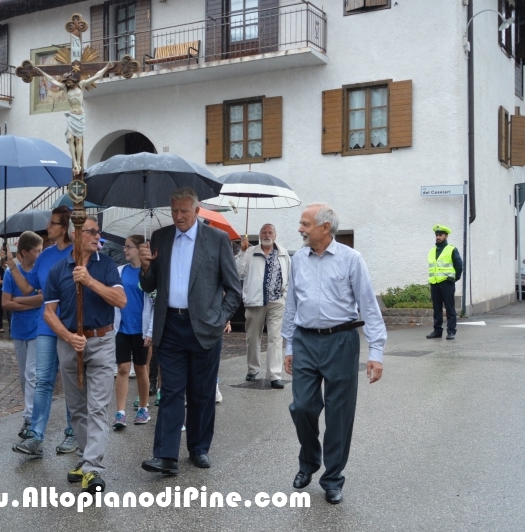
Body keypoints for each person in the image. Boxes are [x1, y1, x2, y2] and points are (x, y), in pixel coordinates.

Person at [281, 202, 387, 505]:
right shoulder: (298, 259)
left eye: (305, 224)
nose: (300, 229)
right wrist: (289, 345)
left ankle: (332, 478)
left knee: (339, 415)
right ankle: (309, 461)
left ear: (325, 227)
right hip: (304, 340)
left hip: (340, 341)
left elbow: (369, 306)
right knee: (301, 407)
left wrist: (376, 353)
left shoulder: (351, 260)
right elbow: (291, 305)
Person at [138, 187, 241, 475]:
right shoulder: (161, 238)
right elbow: (149, 286)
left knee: (202, 392)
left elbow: (234, 289)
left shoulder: (217, 240)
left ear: (196, 211)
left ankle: (198, 448)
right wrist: (145, 268)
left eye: (184, 211)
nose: (178, 216)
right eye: (174, 211)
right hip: (170, 325)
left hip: (205, 327)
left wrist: (220, 319)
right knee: (171, 391)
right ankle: (166, 456)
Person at [43, 217, 126, 493]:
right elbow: (48, 313)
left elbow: (120, 300)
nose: (97, 236)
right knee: (77, 408)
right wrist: (68, 337)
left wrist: (89, 281)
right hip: (69, 344)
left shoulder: (106, 265)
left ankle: (92, 468)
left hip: (102, 341)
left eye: (98, 232)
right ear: (75, 235)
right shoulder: (57, 270)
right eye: (92, 231)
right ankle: (85, 456)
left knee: (98, 407)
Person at [8, 206, 77, 456]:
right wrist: (12, 265)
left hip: (70, 325)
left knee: (71, 382)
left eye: (54, 223)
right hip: (46, 325)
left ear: (66, 227)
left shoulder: (78, 252)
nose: (48, 227)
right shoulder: (45, 255)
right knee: (43, 381)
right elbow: (28, 289)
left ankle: (73, 434)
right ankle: (36, 437)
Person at [34, 62, 114, 176]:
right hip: (71, 116)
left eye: (69, 81)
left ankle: (79, 164)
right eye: (66, 82)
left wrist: (107, 67)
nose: (68, 83)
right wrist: (41, 72)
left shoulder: (81, 85)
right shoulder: (66, 88)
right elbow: (51, 80)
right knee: (70, 139)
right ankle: (75, 163)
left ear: (73, 80)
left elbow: (96, 76)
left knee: (78, 140)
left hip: (80, 116)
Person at [236, 223, 291, 388]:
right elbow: (238, 272)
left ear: (275, 235)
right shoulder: (250, 252)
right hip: (255, 301)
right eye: (264, 232)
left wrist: (286, 296)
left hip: (277, 301)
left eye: (270, 232)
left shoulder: (283, 253)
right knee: (253, 338)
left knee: (275, 338)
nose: (267, 235)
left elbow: (289, 276)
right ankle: (252, 369)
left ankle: (274, 375)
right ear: (259, 235)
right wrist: (242, 251)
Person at [1, 231, 44, 439]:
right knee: (23, 376)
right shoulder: (11, 273)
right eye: (37, 251)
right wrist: (32, 301)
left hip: (38, 328)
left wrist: (20, 302)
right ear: (25, 252)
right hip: (19, 330)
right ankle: (31, 414)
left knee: (32, 374)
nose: (40, 253)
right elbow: (5, 303)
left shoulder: (41, 271)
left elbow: (42, 300)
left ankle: (30, 417)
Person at [113, 234, 154, 429]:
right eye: (125, 246)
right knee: (122, 368)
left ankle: (143, 408)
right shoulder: (119, 271)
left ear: (140, 249)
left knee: (140, 368)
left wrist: (150, 331)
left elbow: (154, 304)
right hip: (122, 328)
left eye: (129, 246)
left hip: (141, 329)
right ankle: (120, 412)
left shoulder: (149, 273)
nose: (125, 250)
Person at [426, 224, 463, 340]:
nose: (438, 237)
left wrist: (454, 278)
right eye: (437, 235)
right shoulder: (432, 251)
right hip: (435, 283)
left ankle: (451, 331)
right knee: (436, 309)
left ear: (446, 236)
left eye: (440, 235)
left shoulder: (451, 249)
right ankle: (437, 331)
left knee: (449, 308)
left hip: (447, 283)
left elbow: (459, 266)